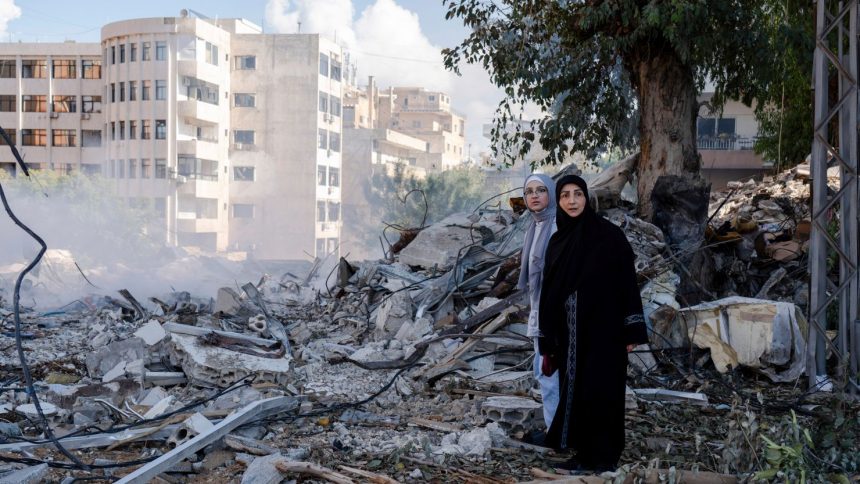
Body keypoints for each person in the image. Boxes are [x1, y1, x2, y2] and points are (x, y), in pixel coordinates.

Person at [538, 174, 648, 472]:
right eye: (565, 196)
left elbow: (627, 282)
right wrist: (547, 337)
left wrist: (632, 327)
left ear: (587, 198)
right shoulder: (558, 241)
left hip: (605, 333)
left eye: (578, 194)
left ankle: (604, 456)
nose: (572, 201)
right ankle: (584, 453)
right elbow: (549, 292)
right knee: (576, 390)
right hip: (571, 335)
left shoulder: (609, 236)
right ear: (558, 202)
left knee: (603, 391)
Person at [517, 174, 560, 437]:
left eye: (541, 190)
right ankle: (554, 428)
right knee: (545, 373)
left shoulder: (556, 227)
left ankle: (556, 432)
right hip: (539, 312)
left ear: (551, 194)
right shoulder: (534, 227)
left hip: (554, 316)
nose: (534, 195)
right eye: (529, 191)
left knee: (549, 373)